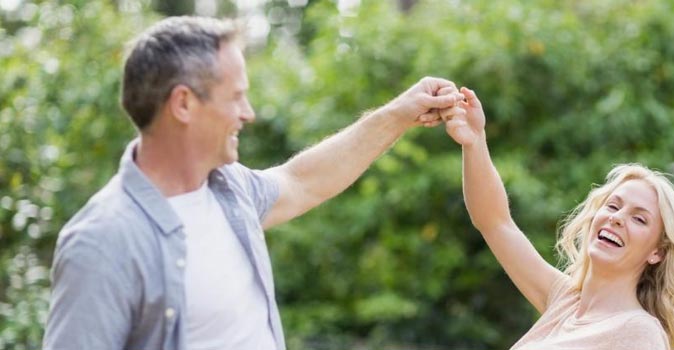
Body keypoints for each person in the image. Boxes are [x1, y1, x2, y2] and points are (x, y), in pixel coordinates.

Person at [42, 16, 462, 350]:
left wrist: (399, 113)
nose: (249, 113)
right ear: (183, 103)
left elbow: (304, 181)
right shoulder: (101, 242)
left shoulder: (230, 189)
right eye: (236, 96)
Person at [438, 87, 674, 350]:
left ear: (657, 252)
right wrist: (475, 141)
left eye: (639, 219)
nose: (618, 218)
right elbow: (495, 222)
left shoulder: (638, 332)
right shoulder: (564, 301)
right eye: (613, 206)